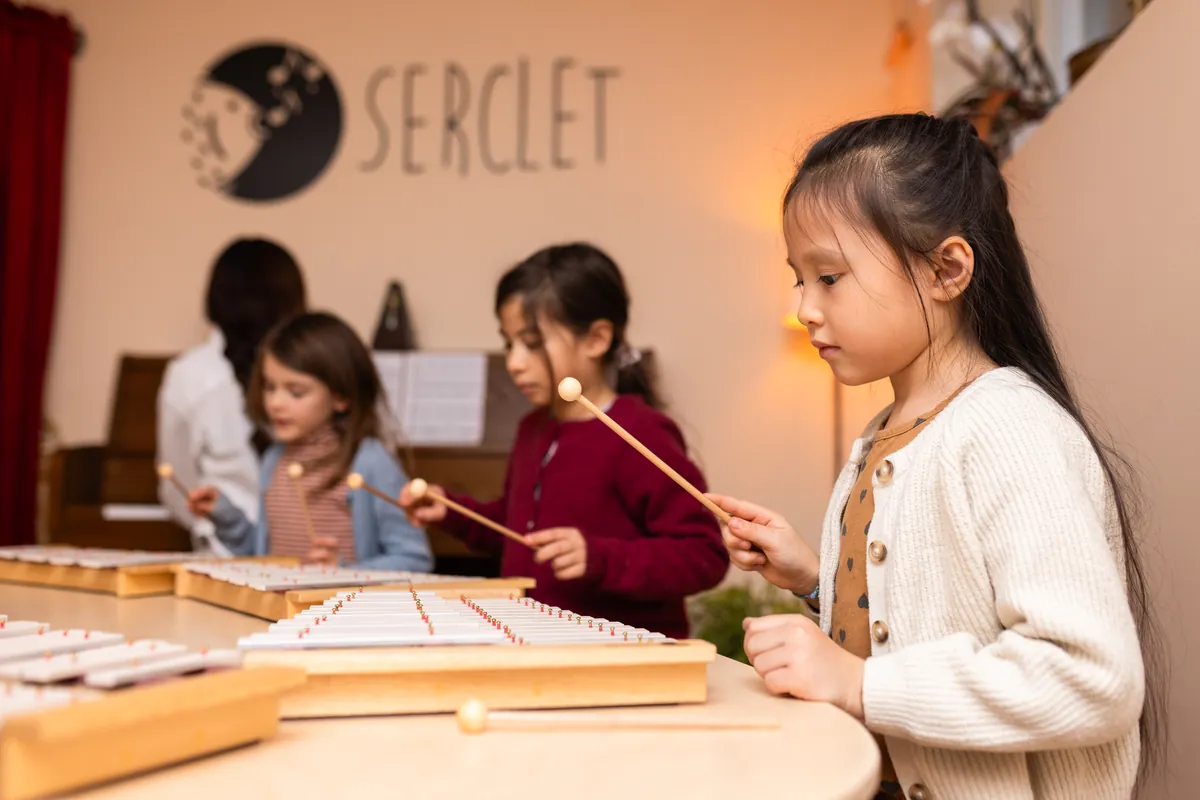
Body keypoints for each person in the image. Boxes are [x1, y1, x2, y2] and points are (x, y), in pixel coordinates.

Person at [708, 113, 1163, 799]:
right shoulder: (882, 435)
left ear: (946, 269)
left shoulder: (1008, 429)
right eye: (798, 279)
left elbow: (1092, 678)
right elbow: (919, 621)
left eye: (828, 277)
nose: (802, 307)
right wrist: (812, 577)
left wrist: (860, 685)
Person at [400, 243, 728, 639]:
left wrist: (598, 557)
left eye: (532, 343)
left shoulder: (638, 432)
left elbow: (703, 555)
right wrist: (451, 510)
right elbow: (520, 535)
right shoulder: (532, 429)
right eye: (509, 343)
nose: (514, 362)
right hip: (536, 644)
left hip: (621, 659)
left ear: (596, 339)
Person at [187, 312, 432, 571]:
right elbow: (262, 554)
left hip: (339, 609)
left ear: (340, 396)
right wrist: (225, 515)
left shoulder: (369, 462)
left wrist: (344, 571)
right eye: (270, 387)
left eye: (296, 392)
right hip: (279, 609)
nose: (275, 403)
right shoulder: (274, 460)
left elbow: (414, 559)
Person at [157, 237, 305, 555]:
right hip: (307, 558)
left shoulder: (188, 374)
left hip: (224, 558)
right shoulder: (318, 366)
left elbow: (178, 489)